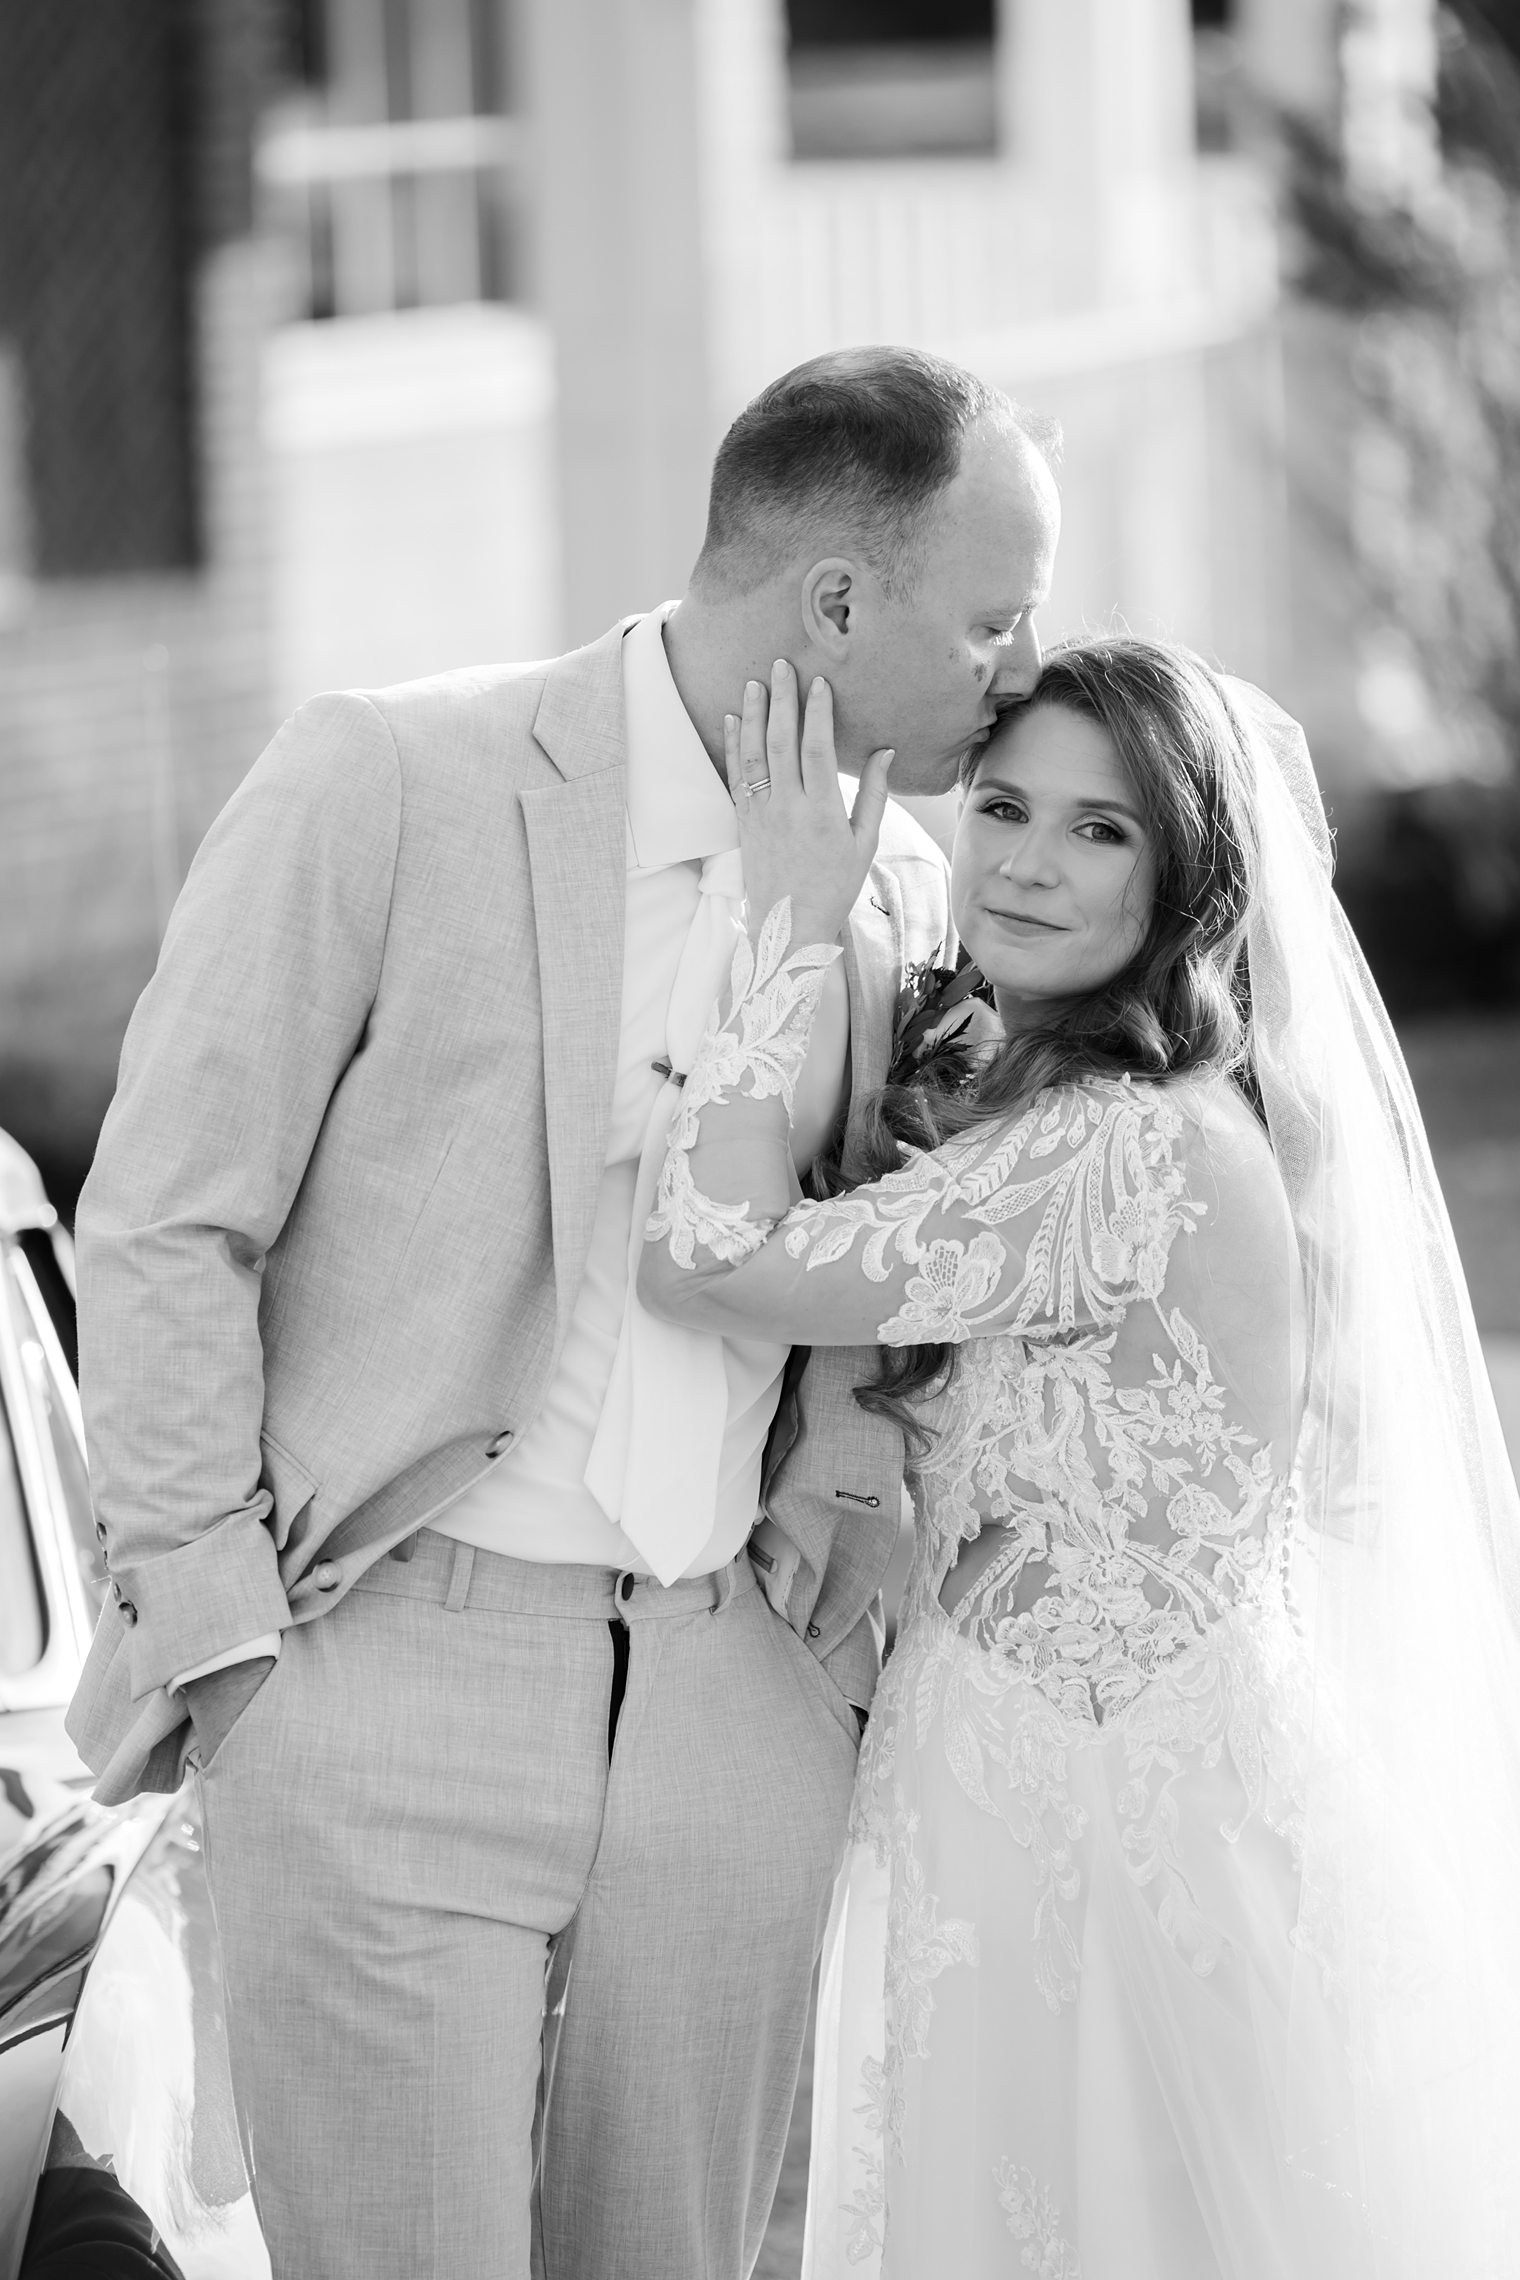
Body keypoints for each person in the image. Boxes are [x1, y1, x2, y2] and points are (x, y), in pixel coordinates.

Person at [63, 346, 1060, 2280]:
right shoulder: (395, 775)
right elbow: (169, 1220)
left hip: (729, 1709)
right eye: (994, 619)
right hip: (380, 1682)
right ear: (837, 602)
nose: (1018, 672)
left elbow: (869, 1276)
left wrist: (823, 1597)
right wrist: (227, 1652)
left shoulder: (908, 892)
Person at [639, 638, 1520, 2277]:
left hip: (1105, 1838)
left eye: (1101, 830)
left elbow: (699, 1251)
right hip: (1086, 1787)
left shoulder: (1111, 1150)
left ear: (1188, 871)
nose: (1029, 863)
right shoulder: (1135, 1111)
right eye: (1004, 807)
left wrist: (779, 930)